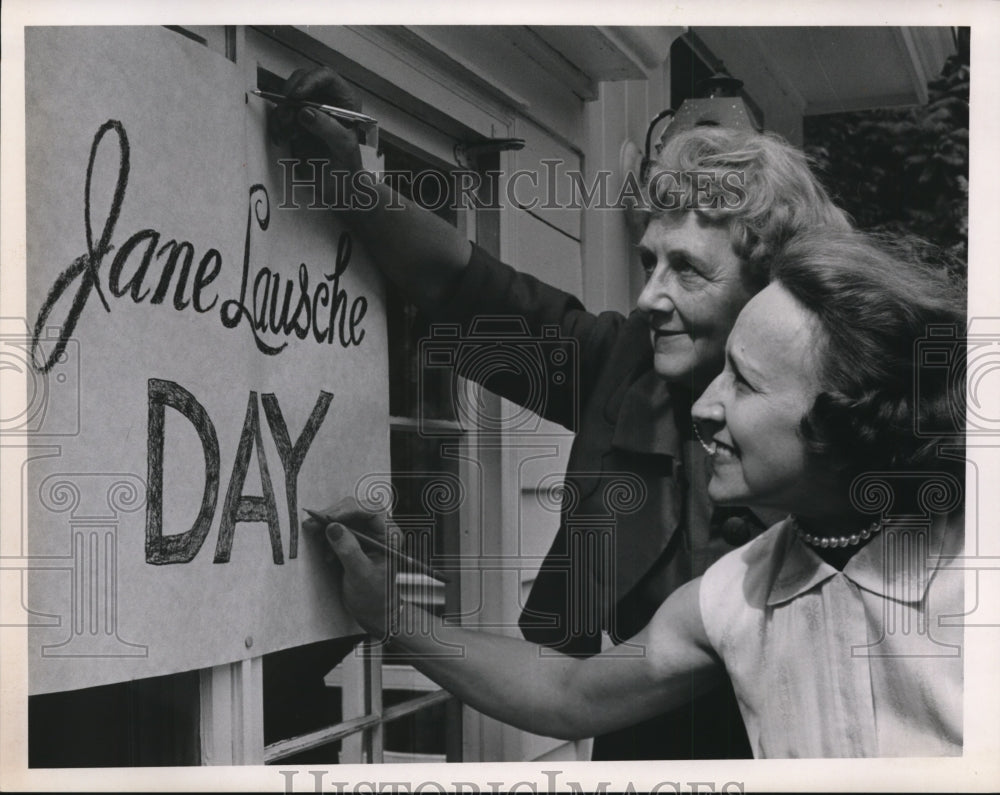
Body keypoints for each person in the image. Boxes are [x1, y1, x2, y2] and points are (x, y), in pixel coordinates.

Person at [274, 66, 850, 759]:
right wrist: (353, 181)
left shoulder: (848, 437)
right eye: (649, 262)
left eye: (688, 271)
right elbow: (467, 294)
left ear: (770, 291)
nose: (648, 297)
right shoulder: (627, 365)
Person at [321, 228, 966, 757]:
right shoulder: (736, 592)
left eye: (742, 383)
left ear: (848, 414)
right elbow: (570, 692)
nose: (706, 407)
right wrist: (393, 619)